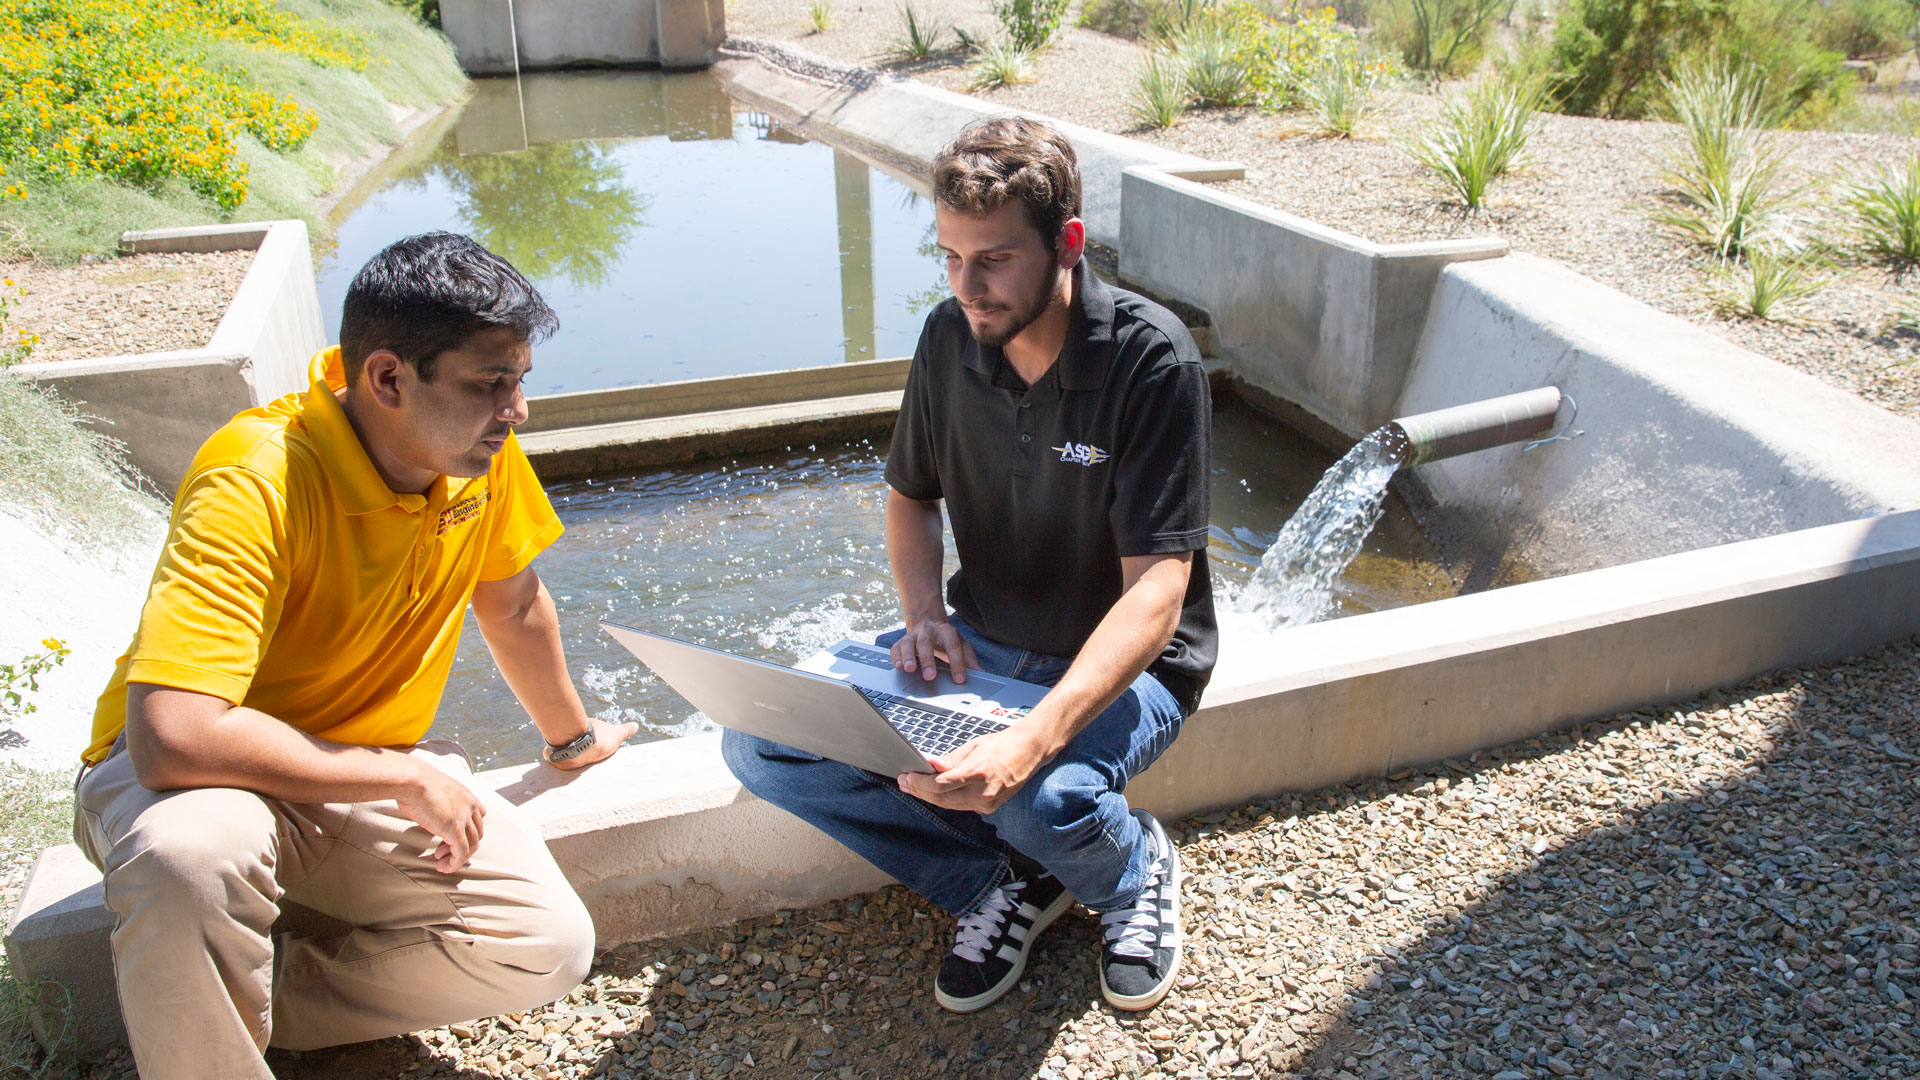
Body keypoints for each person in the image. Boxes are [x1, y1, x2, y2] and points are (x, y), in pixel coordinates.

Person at [74, 232, 638, 1080]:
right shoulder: (255, 476)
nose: (517, 409)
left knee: (543, 944)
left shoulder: (476, 454)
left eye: (519, 380)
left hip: (350, 771)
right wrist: (403, 777)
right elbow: (172, 738)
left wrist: (570, 742)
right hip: (205, 781)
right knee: (192, 856)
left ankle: (223, 1008)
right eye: (492, 384)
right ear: (386, 378)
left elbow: (512, 604)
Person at [724, 117, 1216, 1014]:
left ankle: (1130, 869)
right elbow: (912, 497)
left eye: (992, 260)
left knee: (1038, 797)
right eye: (948, 257)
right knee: (761, 741)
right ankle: (995, 883)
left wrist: (1030, 741)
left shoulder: (1150, 360)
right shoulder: (949, 337)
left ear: (1067, 243)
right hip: (983, 645)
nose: (967, 287)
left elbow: (1159, 588)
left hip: (1123, 669)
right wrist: (924, 615)